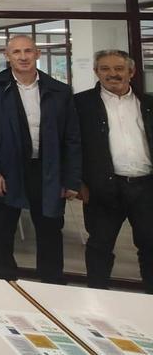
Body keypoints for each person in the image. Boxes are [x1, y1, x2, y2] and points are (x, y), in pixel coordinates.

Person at [0, 35, 81, 284]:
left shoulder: (59, 91)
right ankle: (5, 280)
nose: (22, 57)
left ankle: (51, 282)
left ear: (37, 54)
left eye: (27, 51)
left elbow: (72, 139)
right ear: (7, 56)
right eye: (16, 52)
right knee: (3, 228)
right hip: (7, 170)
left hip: (47, 171)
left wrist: (72, 179)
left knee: (50, 229)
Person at [74, 50, 153, 293]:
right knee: (99, 245)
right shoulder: (81, 104)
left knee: (150, 245)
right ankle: (97, 298)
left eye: (119, 68)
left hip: (145, 187)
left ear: (131, 72)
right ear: (96, 72)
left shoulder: (148, 103)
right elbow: (71, 145)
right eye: (105, 69)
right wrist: (77, 182)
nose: (112, 74)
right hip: (103, 187)